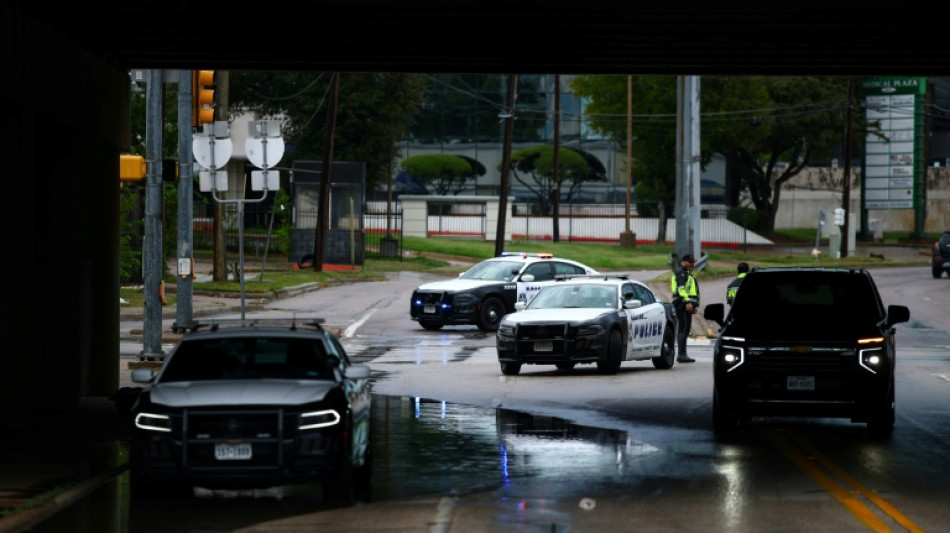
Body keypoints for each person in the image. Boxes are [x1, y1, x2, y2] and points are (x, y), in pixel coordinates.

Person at [670, 254, 699, 363]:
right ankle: (681, 354)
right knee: (683, 328)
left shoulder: (687, 273)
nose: (692, 264)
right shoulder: (681, 273)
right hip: (682, 303)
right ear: (683, 262)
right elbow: (681, 289)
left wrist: (694, 305)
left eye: (692, 262)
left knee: (686, 329)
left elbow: (691, 291)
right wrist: (687, 302)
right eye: (689, 262)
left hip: (686, 304)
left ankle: (683, 354)